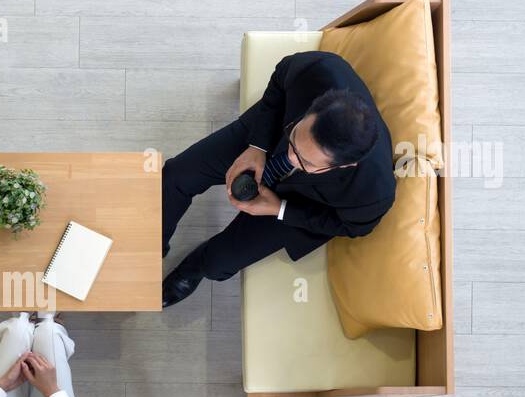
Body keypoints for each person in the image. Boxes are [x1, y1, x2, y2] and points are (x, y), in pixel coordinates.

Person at [160, 51, 394, 308]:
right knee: (176, 175)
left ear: (346, 165)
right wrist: (258, 147)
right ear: (312, 109)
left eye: (307, 162)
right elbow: (281, 76)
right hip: (267, 139)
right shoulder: (319, 69)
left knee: (219, 264)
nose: (292, 158)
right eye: (296, 141)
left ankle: (193, 268)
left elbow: (351, 227)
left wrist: (279, 208)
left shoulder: (372, 192)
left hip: (301, 202)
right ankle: (155, 241)